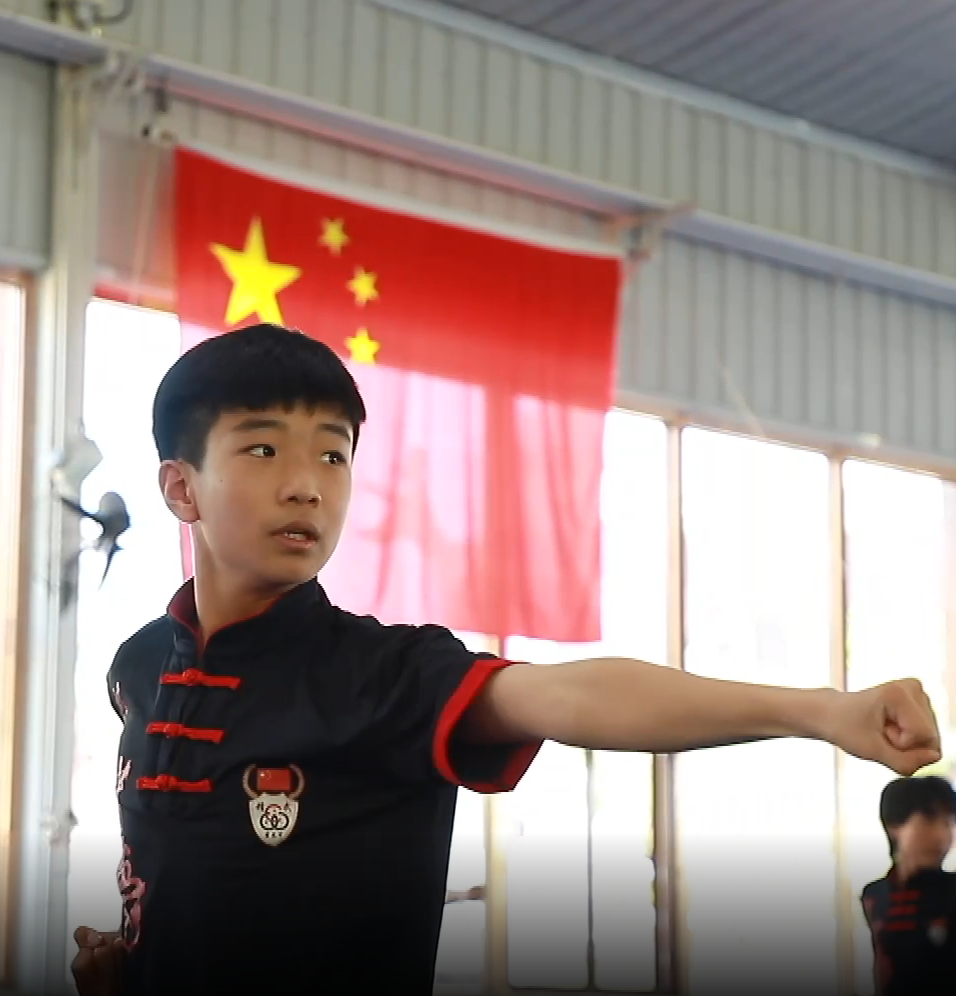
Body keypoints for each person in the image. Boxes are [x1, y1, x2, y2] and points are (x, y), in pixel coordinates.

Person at [71, 323, 940, 996]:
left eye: (333, 454)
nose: (307, 484)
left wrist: (820, 712)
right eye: (263, 449)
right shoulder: (137, 671)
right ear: (181, 487)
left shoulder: (383, 675)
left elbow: (569, 696)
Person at [862, 776, 956, 995]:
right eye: (929, 820)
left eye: (948, 822)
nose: (942, 835)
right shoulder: (873, 897)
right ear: (894, 826)